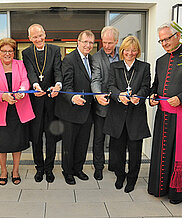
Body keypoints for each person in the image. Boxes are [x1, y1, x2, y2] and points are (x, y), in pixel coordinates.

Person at [148, 23, 182, 204]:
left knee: (178, 153)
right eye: (161, 40)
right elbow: (156, 85)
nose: (164, 43)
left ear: (177, 36)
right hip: (163, 116)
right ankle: (160, 187)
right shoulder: (161, 61)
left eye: (166, 39)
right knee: (163, 152)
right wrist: (152, 96)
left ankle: (178, 192)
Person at [103, 36, 151, 193]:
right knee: (118, 150)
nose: (130, 53)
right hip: (117, 115)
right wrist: (118, 96)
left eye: (133, 50)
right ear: (122, 50)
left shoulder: (144, 67)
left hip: (135, 116)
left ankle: (132, 179)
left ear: (137, 51)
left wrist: (139, 97)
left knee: (135, 151)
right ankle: (120, 176)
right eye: (127, 50)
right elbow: (110, 85)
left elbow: (146, 87)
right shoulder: (115, 66)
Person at [0, 38, 35, 186]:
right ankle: (3, 171)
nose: (7, 54)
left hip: (18, 111)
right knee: (1, 144)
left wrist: (22, 91)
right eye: (4, 51)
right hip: (0, 111)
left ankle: (15, 170)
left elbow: (25, 81)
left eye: (10, 51)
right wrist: (3, 96)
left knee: (17, 143)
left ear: (14, 53)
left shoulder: (20, 65)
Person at [22, 24, 62, 183]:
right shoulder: (26, 53)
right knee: (36, 138)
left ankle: (49, 168)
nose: (38, 39)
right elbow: (30, 72)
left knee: (51, 137)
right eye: (35, 37)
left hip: (52, 101)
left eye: (40, 35)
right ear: (30, 38)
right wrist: (34, 85)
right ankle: (39, 168)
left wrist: (58, 84)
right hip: (35, 102)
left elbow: (58, 70)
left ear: (45, 34)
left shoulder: (54, 50)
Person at [55, 30, 95, 185]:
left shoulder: (91, 59)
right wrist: (72, 97)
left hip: (87, 110)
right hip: (70, 111)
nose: (88, 45)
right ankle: (68, 172)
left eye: (90, 42)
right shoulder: (69, 60)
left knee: (82, 143)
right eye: (85, 41)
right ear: (78, 42)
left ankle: (78, 169)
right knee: (69, 144)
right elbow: (66, 84)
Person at [91, 26, 120, 180]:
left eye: (110, 43)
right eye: (104, 42)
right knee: (99, 138)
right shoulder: (96, 58)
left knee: (116, 137)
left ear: (116, 41)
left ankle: (114, 165)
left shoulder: (124, 53)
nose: (107, 46)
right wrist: (97, 95)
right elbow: (95, 79)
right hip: (102, 105)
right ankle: (98, 167)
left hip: (119, 105)